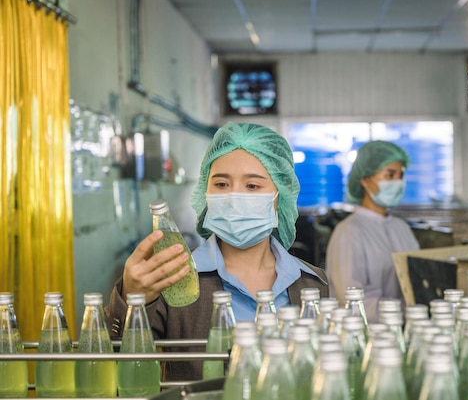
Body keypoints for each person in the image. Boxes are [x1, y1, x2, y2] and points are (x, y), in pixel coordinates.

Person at [104, 122, 328, 382]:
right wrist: (130, 298)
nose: (233, 197)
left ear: (281, 196)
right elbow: (117, 369)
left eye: (252, 186)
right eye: (221, 184)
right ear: (205, 192)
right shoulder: (175, 279)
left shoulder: (312, 282)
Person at [325, 140, 419, 322]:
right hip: (368, 333)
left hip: (406, 328)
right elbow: (351, 298)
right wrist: (398, 315)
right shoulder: (349, 231)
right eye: (389, 175)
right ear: (366, 180)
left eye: (401, 175)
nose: (398, 182)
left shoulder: (402, 228)